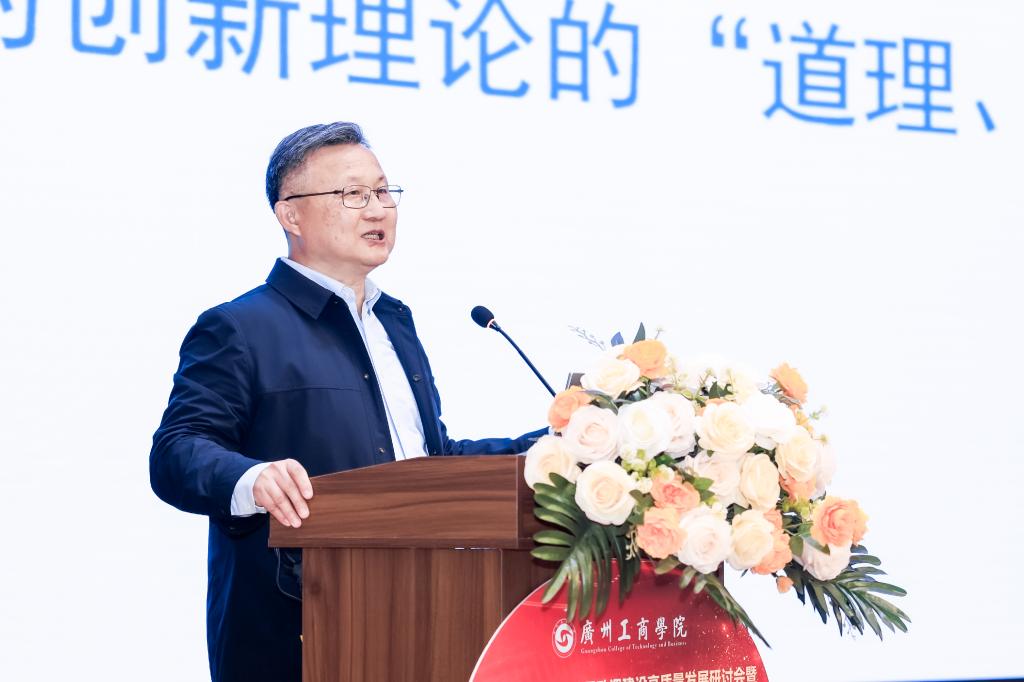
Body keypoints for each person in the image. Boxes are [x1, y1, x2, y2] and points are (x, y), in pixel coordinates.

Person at [149, 121, 545, 682]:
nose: (378, 209)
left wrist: (553, 446)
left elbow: (428, 461)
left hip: (422, 612)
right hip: (297, 626)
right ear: (291, 215)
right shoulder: (239, 327)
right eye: (353, 194)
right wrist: (252, 478)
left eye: (384, 192)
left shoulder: (395, 323)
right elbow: (176, 451)